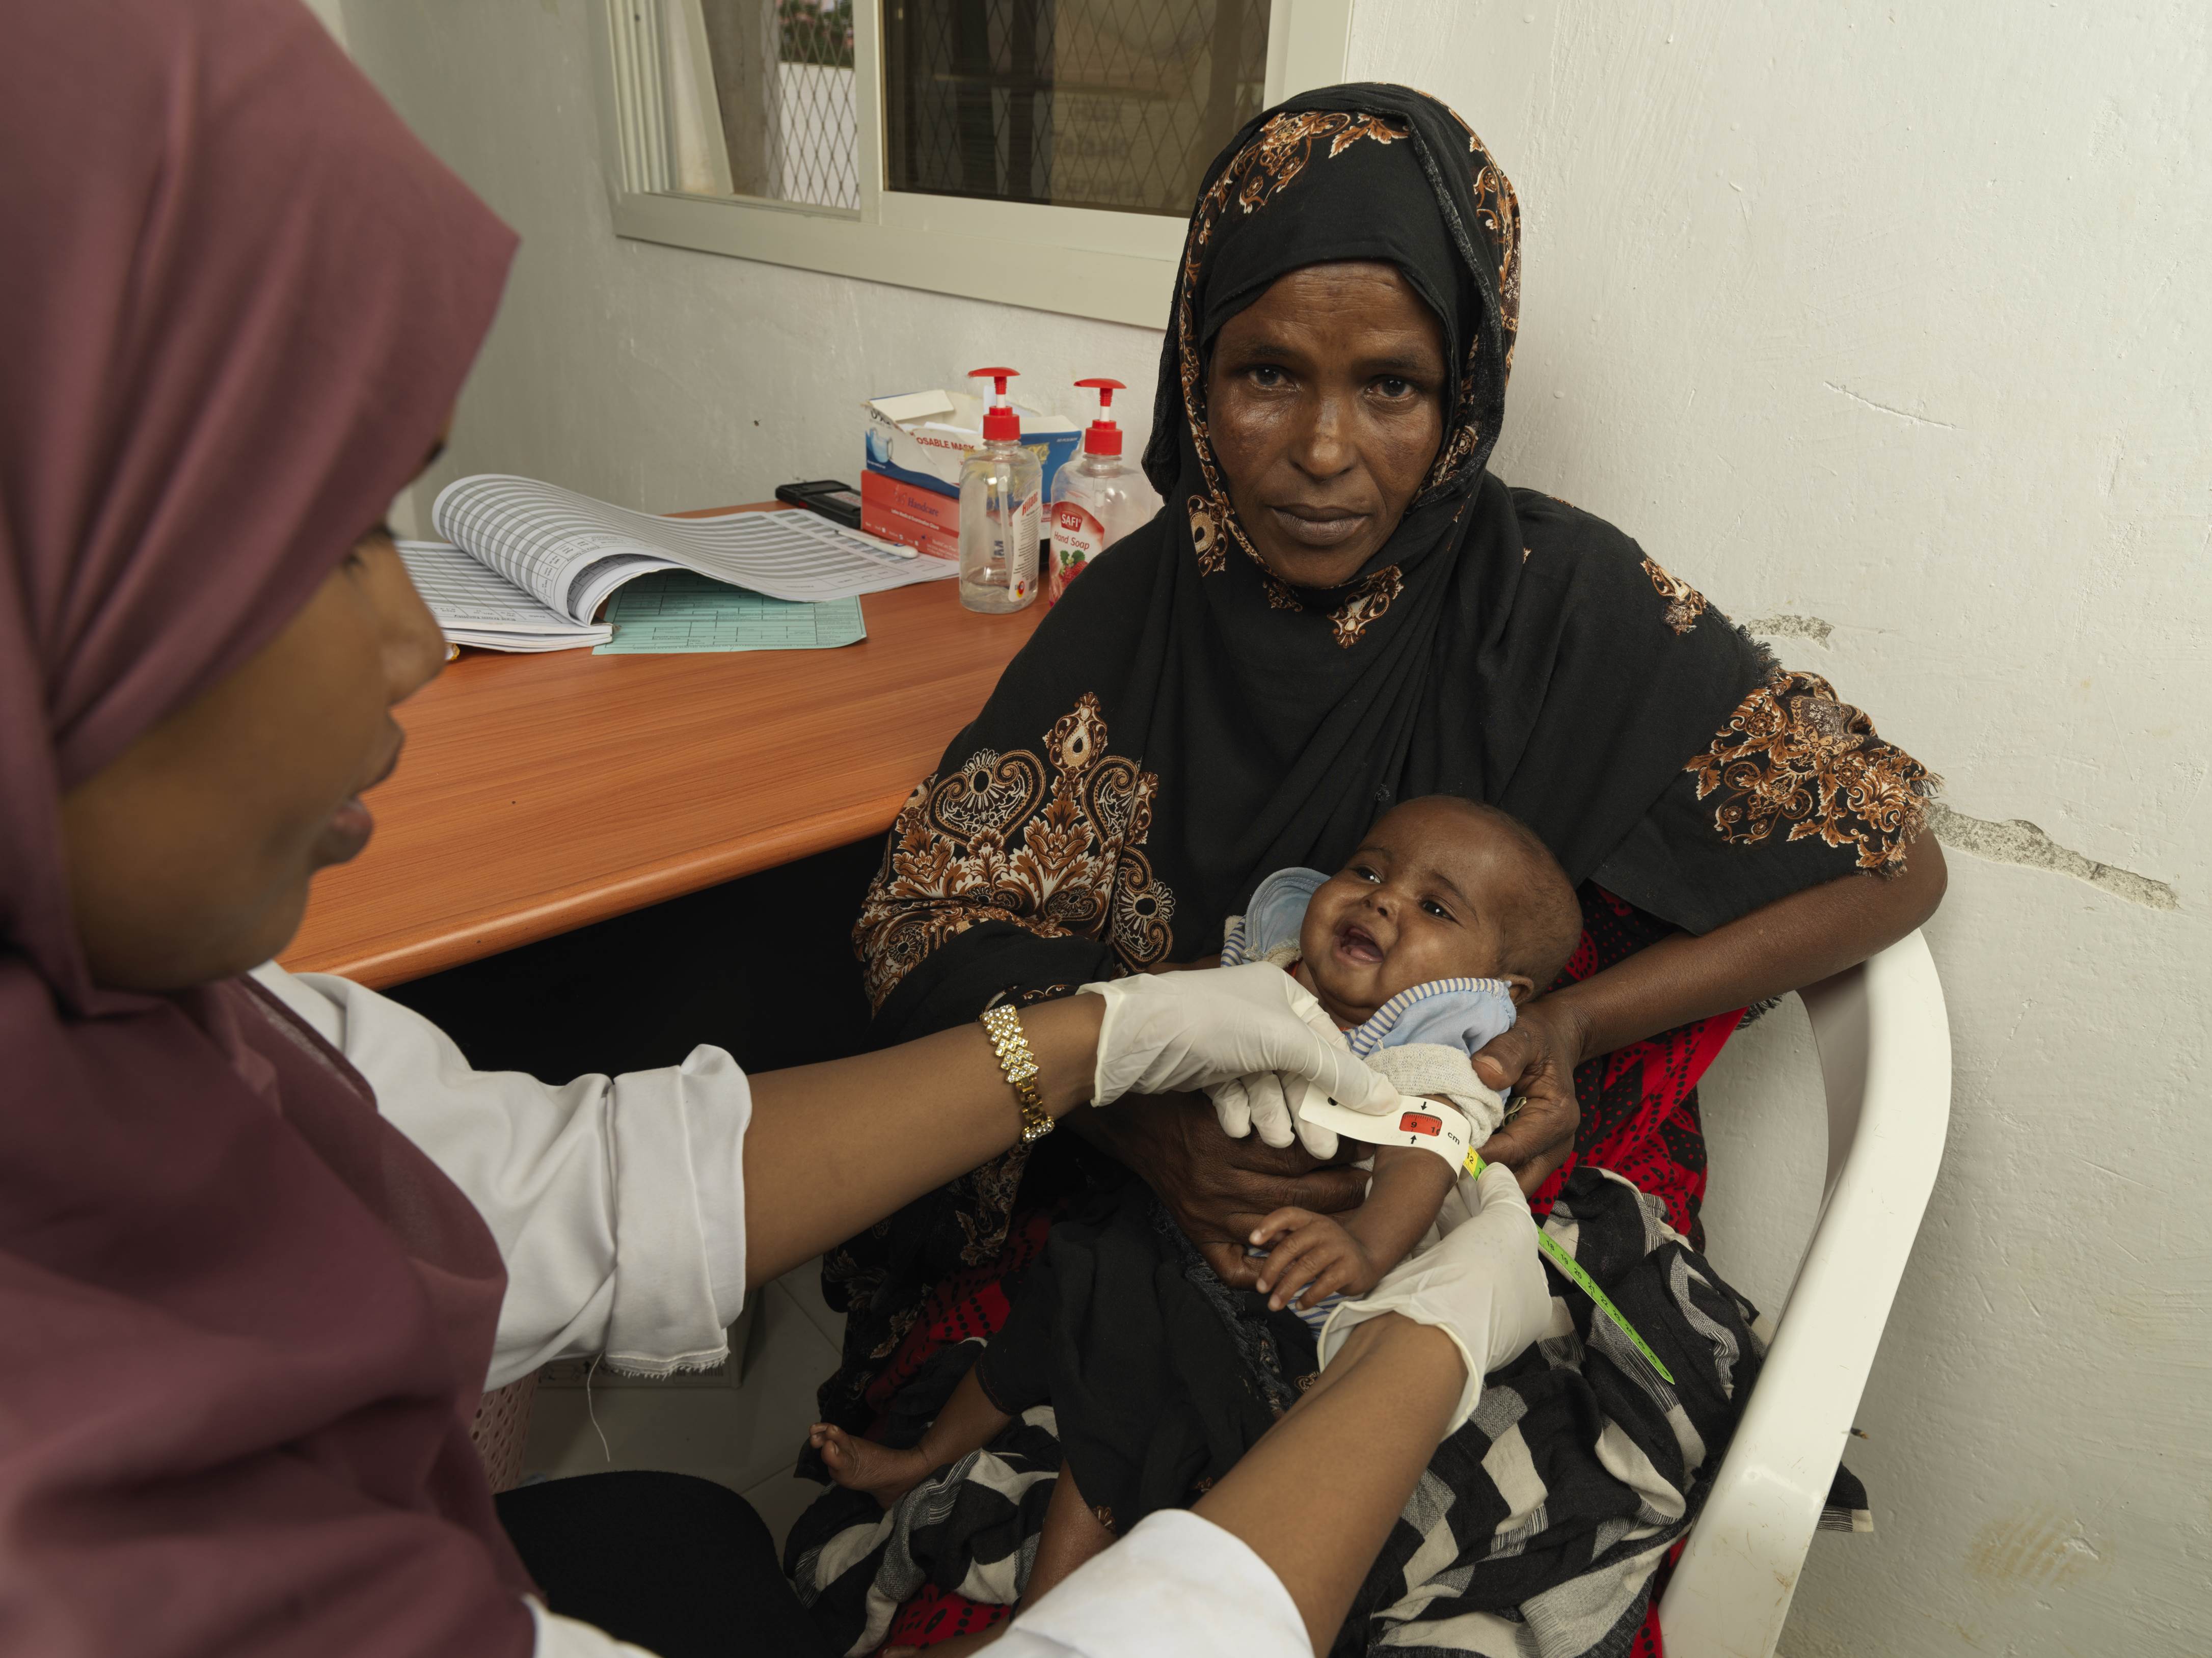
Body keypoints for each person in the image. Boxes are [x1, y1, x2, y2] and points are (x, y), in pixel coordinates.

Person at [1, 6, 1524, 1656]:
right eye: (341, 535)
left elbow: (551, 1185)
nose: (420, 635)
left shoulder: (144, 1031)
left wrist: (1110, 1031)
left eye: (1392, 388)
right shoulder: (88, 1551)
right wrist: (1426, 1340)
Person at [803, 83, 1946, 1652]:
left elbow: (1886, 862)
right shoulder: (1134, 615)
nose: (1323, 453)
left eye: (1392, 387)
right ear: (1192, 369)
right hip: (1144, 1221)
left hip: (1447, 1222)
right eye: (1267, 374)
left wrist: (1562, 1032)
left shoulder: (1558, 605)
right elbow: (925, 921)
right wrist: (1148, 1130)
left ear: (1465, 388)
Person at [806, 797, 1581, 1571]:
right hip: (1172, 1214)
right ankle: (925, 1457)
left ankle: (1044, 1609)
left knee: (1133, 1368)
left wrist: (1365, 1245)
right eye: (1368, 869)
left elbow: (1426, 1148)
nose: (1382, 897)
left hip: (1290, 1287)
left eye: (1435, 906)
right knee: (1062, 1287)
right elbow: (1175, 1002)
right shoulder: (1280, 961)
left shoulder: (1434, 1042)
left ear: (1495, 988)